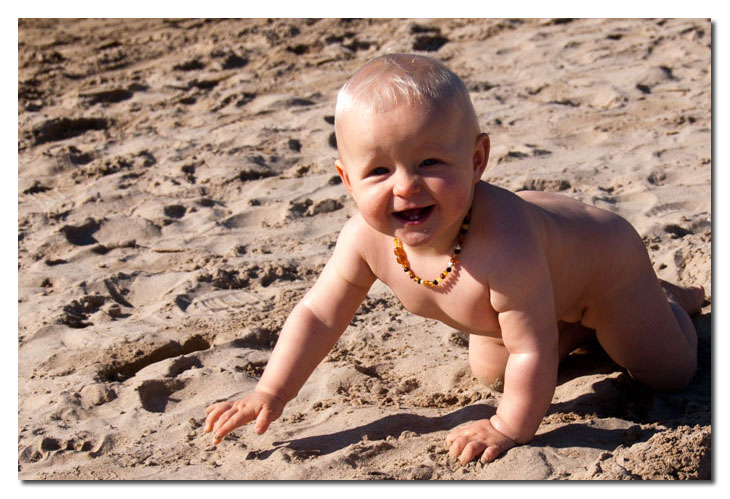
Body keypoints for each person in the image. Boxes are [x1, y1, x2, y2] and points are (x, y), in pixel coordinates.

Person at [204, 53, 704, 465]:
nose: (406, 185)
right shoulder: (364, 239)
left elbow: (531, 351)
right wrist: (271, 390)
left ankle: (668, 302)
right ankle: (570, 324)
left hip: (606, 267)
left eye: (430, 162)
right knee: (492, 372)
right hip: (541, 284)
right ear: (346, 179)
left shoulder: (505, 247)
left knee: (667, 372)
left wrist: (507, 426)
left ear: (477, 161)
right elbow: (318, 313)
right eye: (378, 170)